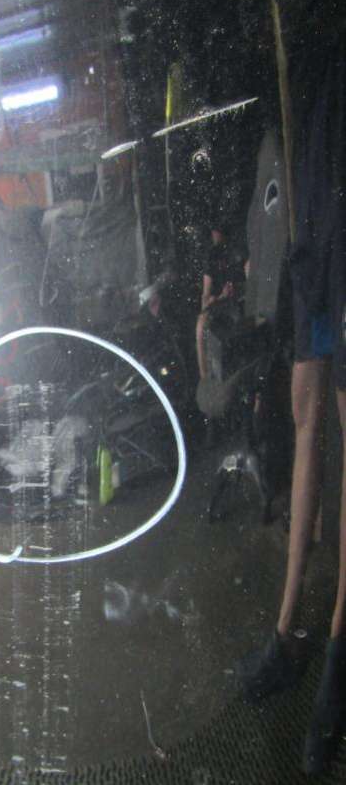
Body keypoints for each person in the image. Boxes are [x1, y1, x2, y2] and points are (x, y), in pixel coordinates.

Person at [238, 39, 346, 776]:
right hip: (312, 226)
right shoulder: (295, 41)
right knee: (305, 408)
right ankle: (285, 632)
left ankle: (338, 646)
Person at [195, 227, 246, 380]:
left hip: (240, 301)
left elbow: (252, 279)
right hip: (220, 304)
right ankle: (205, 377)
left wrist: (237, 289)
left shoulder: (239, 251)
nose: (215, 235)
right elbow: (205, 295)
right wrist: (215, 300)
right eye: (213, 231)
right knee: (201, 326)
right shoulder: (211, 256)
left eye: (217, 231)